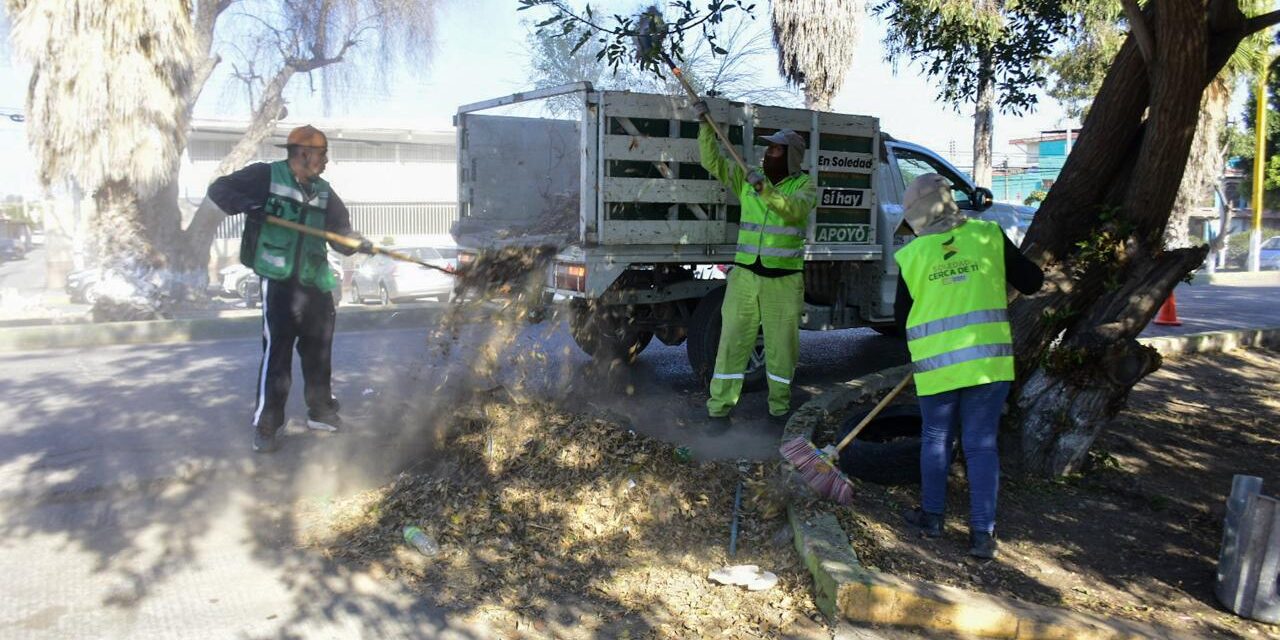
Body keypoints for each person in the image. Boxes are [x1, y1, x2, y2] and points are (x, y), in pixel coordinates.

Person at [893, 173, 1044, 559]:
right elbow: (1032, 281)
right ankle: (982, 535)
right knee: (980, 444)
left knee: (935, 438)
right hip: (987, 364)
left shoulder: (911, 256)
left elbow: (900, 319)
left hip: (937, 366)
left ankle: (932, 518)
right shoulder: (988, 235)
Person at [207, 125, 372, 453]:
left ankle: (321, 411)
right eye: (322, 155)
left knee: (319, 351)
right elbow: (219, 189)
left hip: (316, 280)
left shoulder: (324, 191)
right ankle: (268, 424)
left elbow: (340, 232)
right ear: (303, 154)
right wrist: (250, 206)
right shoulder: (265, 176)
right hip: (279, 280)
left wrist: (355, 242)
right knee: (278, 354)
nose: (326, 162)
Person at [693, 101, 817, 426]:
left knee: (782, 349)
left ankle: (779, 410)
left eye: (775, 149)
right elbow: (711, 161)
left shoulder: (805, 186)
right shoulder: (748, 177)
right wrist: (705, 125)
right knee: (731, 342)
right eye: (768, 148)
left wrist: (762, 189)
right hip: (745, 277)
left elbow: (791, 211)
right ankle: (719, 411)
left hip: (784, 282)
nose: (768, 154)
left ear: (790, 156)